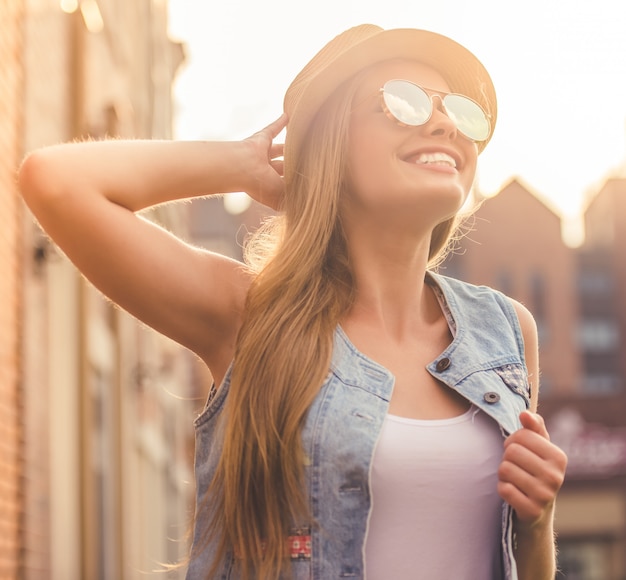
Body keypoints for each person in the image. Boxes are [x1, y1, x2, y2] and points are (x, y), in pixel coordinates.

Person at [18, 23, 567, 580]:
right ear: (331, 144)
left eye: (459, 111)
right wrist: (241, 164)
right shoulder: (251, 316)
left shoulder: (505, 330)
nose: (445, 122)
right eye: (403, 102)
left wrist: (538, 523)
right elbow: (57, 180)